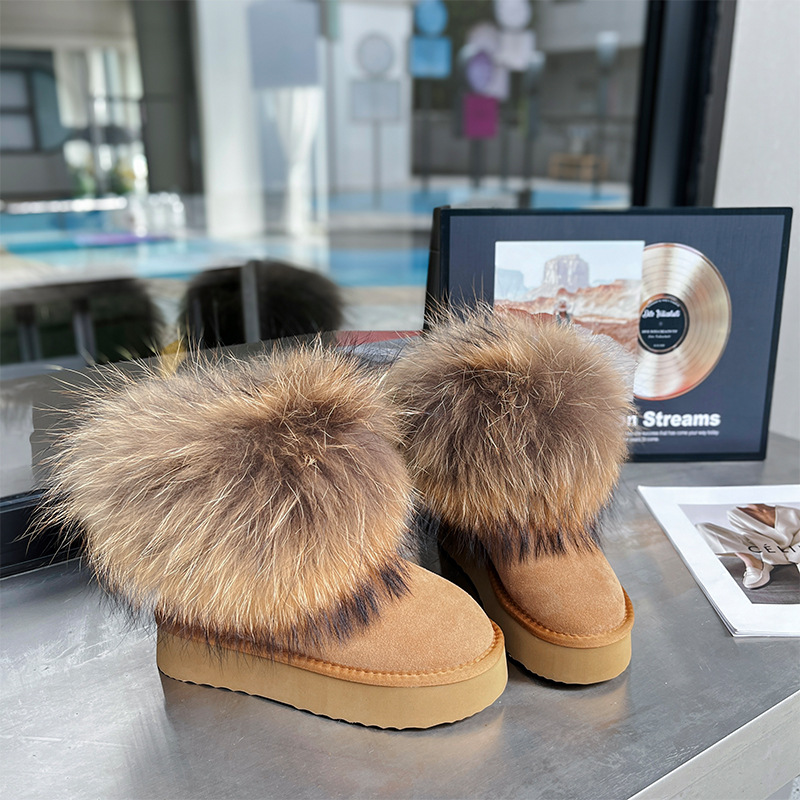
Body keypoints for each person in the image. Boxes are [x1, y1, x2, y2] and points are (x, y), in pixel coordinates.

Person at [696, 504, 800, 588]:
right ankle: (752, 562)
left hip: (796, 546)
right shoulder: (735, 513)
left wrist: (793, 553)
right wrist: (772, 551)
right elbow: (750, 535)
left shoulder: (791, 511)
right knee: (701, 528)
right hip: (758, 546)